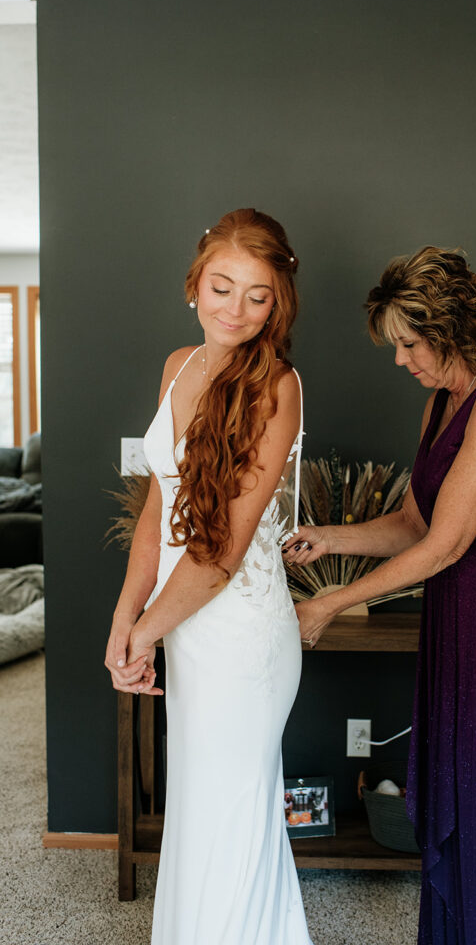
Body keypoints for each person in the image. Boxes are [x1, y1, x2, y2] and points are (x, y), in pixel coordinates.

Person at [285, 247, 476, 945]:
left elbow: (445, 546)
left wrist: (329, 603)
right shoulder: (440, 404)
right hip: (458, 617)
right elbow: (417, 523)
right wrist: (331, 537)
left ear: (451, 328)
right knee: (468, 787)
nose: (400, 360)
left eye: (409, 343)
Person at [105, 208, 313, 945]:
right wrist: (126, 622)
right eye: (222, 287)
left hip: (241, 636)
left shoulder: (275, 386)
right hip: (182, 619)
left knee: (231, 818)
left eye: (257, 295)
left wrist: (145, 633)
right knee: (200, 812)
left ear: (276, 302)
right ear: (194, 284)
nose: (237, 309)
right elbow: (159, 505)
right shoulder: (178, 365)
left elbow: (219, 551)